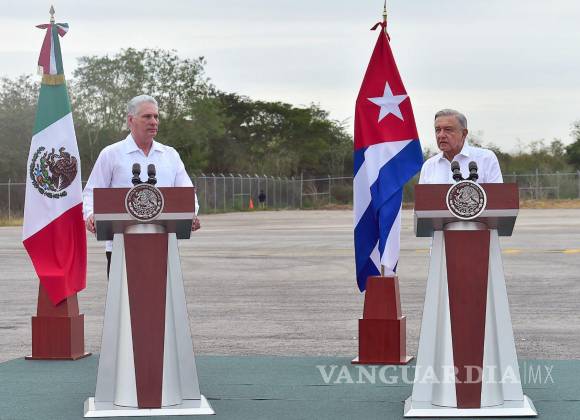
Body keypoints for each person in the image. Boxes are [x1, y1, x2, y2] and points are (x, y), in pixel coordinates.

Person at [82, 94, 200, 275]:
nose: (154, 122)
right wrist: (91, 215)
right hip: (120, 246)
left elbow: (187, 194)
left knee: (164, 295)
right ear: (131, 120)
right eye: (147, 116)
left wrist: (191, 214)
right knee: (122, 295)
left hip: (164, 245)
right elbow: (91, 192)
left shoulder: (170, 155)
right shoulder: (111, 154)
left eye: (156, 117)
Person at [419, 109, 503, 184]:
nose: (441, 135)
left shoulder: (486, 159)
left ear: (464, 134)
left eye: (448, 130)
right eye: (438, 130)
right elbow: (423, 196)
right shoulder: (428, 166)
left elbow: (497, 194)